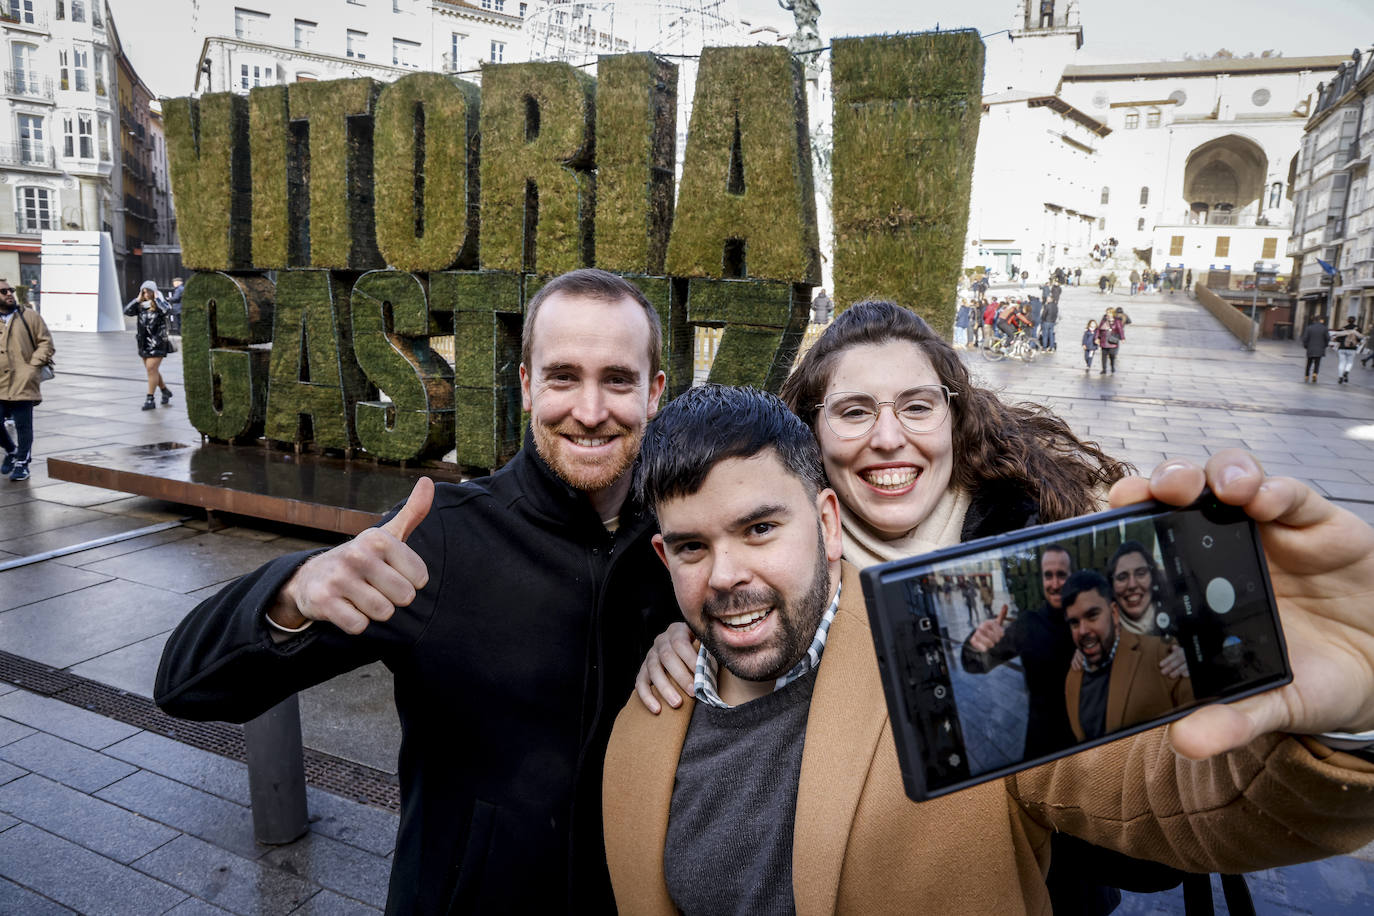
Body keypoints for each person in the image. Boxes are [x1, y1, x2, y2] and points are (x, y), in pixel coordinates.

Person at [609, 383, 1374, 914]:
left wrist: (1349, 722)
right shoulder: (644, 728)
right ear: (663, 558)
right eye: (691, 548)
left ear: (830, 522)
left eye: (759, 528)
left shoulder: (942, 662)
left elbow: (1178, 805)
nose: (728, 576)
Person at [154, 268, 681, 913]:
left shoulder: (685, 543)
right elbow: (185, 687)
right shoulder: (434, 540)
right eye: (563, 377)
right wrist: (293, 592)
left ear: (654, 392)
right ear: (525, 385)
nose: (591, 410)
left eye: (618, 380)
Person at [637, 301, 1135, 914]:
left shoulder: (1046, 555)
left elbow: (1137, 830)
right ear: (812, 434)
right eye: (853, 412)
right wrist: (696, 643)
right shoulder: (789, 590)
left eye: (918, 406)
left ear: (955, 417)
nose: (889, 436)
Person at [962, 545, 1078, 757]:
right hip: (1045, 737)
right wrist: (976, 643)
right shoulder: (1029, 624)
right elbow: (975, 664)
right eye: (1048, 576)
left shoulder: (1089, 619)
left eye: (1061, 575)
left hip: (1091, 730)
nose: (1054, 584)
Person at [1060, 569, 1193, 741]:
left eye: (1092, 615)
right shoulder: (1073, 678)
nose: (1083, 630)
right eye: (1074, 623)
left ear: (1114, 613)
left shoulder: (1164, 655)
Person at [0, 278, 53, 482]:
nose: (9, 294)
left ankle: (22, 462)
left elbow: (46, 343)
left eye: (10, 290)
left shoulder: (28, 316)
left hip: (23, 380)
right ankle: (11, 450)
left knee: (23, 425)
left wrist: (32, 367)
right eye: (3, 291)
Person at [123, 280, 174, 410]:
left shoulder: (161, 304)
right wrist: (137, 299)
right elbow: (127, 311)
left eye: (148, 291)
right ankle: (165, 391)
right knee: (152, 370)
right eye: (143, 291)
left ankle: (150, 399)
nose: (146, 294)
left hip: (158, 343)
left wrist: (156, 299)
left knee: (151, 369)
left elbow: (166, 311)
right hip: (143, 343)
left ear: (154, 292)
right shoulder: (140, 306)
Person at [1333, 317, 1362, 385]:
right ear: (1355, 321)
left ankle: (1340, 377)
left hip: (1342, 348)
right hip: (1352, 348)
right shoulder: (1357, 329)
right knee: (1350, 362)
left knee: (1341, 363)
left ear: (1347, 321)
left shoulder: (1343, 328)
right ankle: (1346, 372)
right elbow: (1360, 338)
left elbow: (1338, 338)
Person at [1301, 313, 1328, 383]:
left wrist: (1306, 346)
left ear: (1314, 320)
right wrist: (1325, 345)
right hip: (1320, 348)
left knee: (1309, 363)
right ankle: (1315, 374)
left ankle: (1306, 376)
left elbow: (1305, 338)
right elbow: (1327, 338)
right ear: (1320, 320)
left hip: (1310, 348)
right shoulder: (1324, 328)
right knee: (1317, 363)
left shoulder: (1309, 328)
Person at [1096, 310, 1123, 374]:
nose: (1108, 314)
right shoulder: (1104, 321)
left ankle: (1112, 366)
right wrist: (1096, 338)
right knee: (1103, 356)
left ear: (1113, 314)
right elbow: (1099, 330)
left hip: (1112, 341)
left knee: (1112, 355)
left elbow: (1120, 330)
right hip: (1104, 340)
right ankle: (1104, 369)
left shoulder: (1116, 321)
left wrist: (1122, 338)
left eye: (1110, 313)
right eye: (1107, 313)